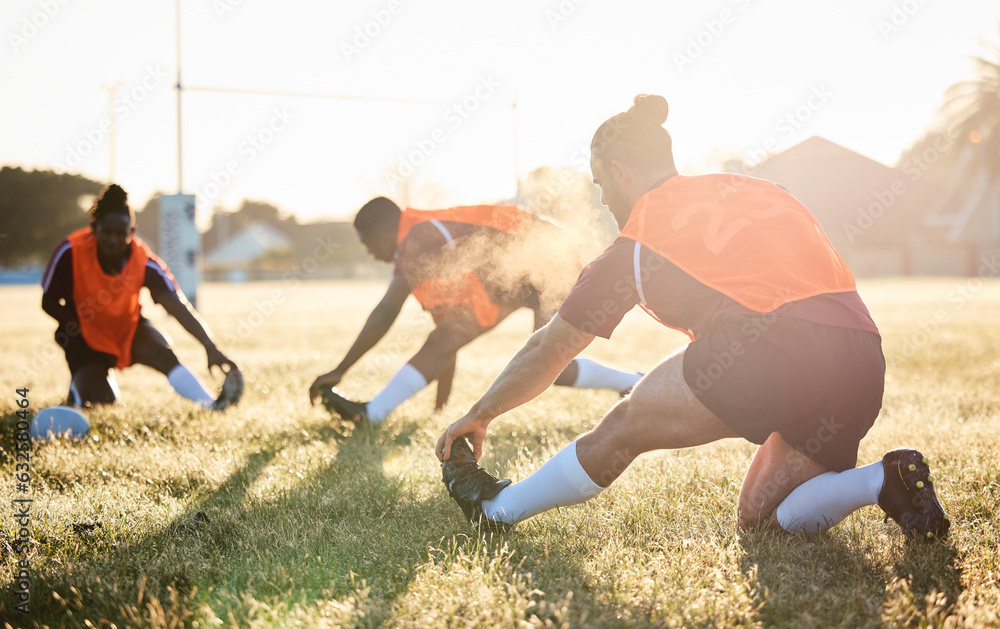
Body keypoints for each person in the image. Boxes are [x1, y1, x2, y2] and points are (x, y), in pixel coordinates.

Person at [436, 94, 949, 541]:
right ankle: (883, 482)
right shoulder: (761, 189)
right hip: (859, 355)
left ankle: (497, 512)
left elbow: (551, 348)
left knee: (624, 427)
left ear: (620, 172)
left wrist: (480, 414)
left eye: (600, 183)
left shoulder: (635, 245)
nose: (602, 198)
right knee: (762, 520)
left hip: (769, 348)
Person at [307, 197, 643, 424]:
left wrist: (339, 369)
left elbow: (385, 312)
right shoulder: (426, 238)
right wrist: (441, 405)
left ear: (383, 232)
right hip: (520, 268)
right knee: (446, 339)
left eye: (368, 244)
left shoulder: (418, 237)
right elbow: (446, 338)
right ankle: (372, 415)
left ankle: (635, 383)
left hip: (548, 259)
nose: (370, 253)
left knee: (549, 364)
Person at [41, 184, 243, 410]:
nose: (114, 239)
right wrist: (78, 325)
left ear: (132, 232)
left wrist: (209, 346)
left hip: (127, 329)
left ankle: (212, 405)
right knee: (102, 404)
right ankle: (80, 387)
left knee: (163, 354)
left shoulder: (145, 262)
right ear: (95, 228)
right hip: (84, 336)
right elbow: (48, 302)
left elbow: (176, 305)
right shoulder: (70, 251)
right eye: (107, 232)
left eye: (121, 233)